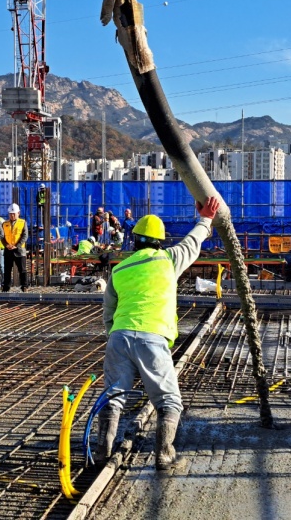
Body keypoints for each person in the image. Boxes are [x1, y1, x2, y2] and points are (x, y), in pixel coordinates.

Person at [97, 196, 220, 470]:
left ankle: (102, 453)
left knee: (113, 397)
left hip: (119, 337)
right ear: (159, 241)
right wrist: (206, 217)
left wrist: (116, 337)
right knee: (169, 402)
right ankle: (165, 455)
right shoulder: (169, 259)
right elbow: (193, 241)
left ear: (135, 240)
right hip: (152, 338)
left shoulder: (120, 269)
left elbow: (108, 312)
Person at [1, 203, 28, 292]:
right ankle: (6, 287)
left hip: (19, 250)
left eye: (14, 214)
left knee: (22, 269)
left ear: (18, 213)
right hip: (8, 250)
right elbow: (2, 237)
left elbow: (25, 236)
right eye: (10, 214)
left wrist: (16, 245)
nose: (12, 215)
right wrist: (6, 245)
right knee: (7, 270)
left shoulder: (23, 222)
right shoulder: (4, 224)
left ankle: (24, 286)